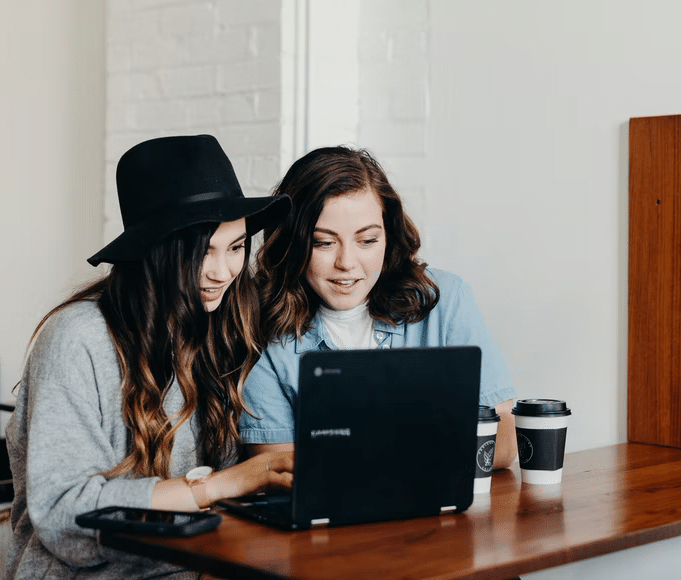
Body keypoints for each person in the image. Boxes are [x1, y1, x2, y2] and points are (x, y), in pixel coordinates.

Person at [4, 135, 293, 580]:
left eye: (235, 247)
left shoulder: (220, 328)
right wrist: (217, 486)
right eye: (201, 252)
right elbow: (66, 515)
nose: (222, 272)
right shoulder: (77, 339)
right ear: (155, 250)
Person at [239, 146, 517, 470]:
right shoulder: (261, 326)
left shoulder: (445, 300)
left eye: (367, 240)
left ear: (389, 235)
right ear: (292, 243)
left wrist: (360, 455)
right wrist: (426, 443)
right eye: (324, 243)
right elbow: (274, 468)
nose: (346, 263)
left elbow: (503, 442)